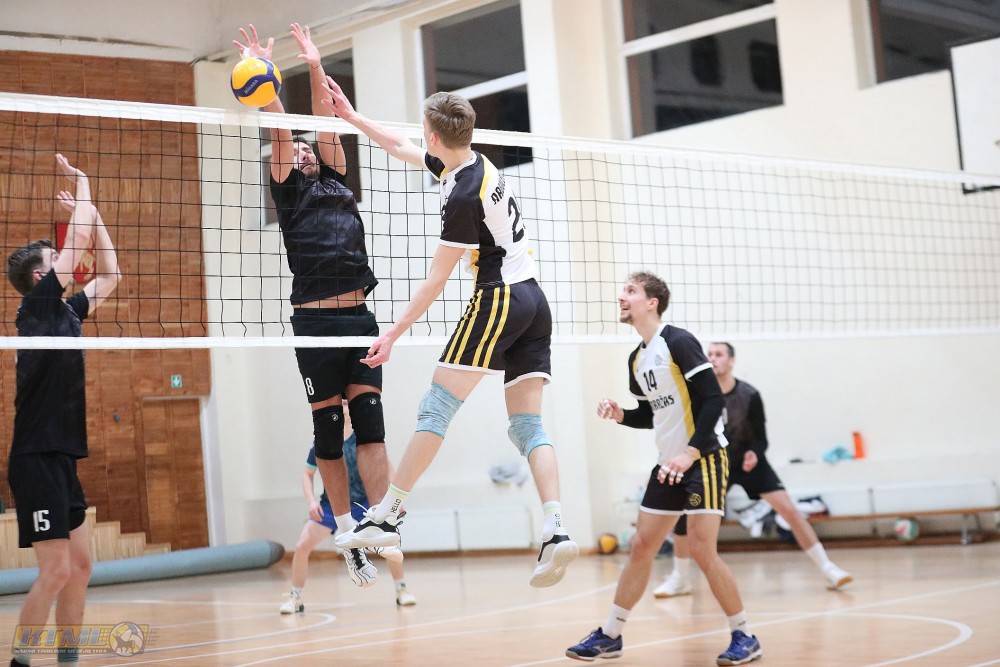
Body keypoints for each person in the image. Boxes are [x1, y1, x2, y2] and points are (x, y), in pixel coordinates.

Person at [321, 81, 579, 587]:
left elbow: (436, 280)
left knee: (436, 407)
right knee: (527, 427)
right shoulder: (473, 164)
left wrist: (392, 334)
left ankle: (388, 515)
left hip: (500, 299)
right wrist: (353, 118)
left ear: (435, 135)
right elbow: (401, 147)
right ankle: (556, 527)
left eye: (424, 130)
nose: (420, 137)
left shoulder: (462, 195)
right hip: (535, 300)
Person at [233, 24, 391, 586]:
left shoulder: (337, 177)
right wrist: (266, 79)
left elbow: (326, 119)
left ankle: (380, 522)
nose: (302, 150)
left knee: (370, 425)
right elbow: (280, 127)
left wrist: (316, 63)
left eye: (308, 147)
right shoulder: (288, 191)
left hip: (360, 316)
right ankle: (344, 529)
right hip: (315, 320)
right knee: (328, 428)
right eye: (295, 148)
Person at [566, 272, 761, 665]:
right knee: (641, 546)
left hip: (703, 457)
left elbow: (713, 400)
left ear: (652, 302)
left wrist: (690, 453)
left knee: (702, 550)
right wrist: (622, 414)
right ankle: (611, 634)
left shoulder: (679, 341)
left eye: (631, 291)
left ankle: (744, 635)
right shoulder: (637, 358)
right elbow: (650, 415)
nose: (621, 297)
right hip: (668, 463)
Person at [6, 154, 122, 667]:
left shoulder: (67, 313)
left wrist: (93, 215)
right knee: (54, 571)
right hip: (34, 457)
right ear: (41, 274)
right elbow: (77, 243)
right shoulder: (36, 309)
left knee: (80, 567)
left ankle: (68, 658)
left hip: (62, 456)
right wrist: (85, 187)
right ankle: (20, 662)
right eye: (55, 258)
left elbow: (112, 275)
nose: (66, 260)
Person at [655, 342, 851, 599]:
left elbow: (761, 438)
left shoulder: (749, 395)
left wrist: (754, 453)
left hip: (748, 463)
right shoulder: (697, 394)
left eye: (719, 354)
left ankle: (828, 569)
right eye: (709, 354)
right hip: (713, 463)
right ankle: (680, 579)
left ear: (731, 361)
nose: (713, 358)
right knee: (685, 517)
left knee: (789, 510)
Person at [281, 406, 417, 613]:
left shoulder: (363, 435)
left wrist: (395, 500)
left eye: (346, 403)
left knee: (388, 544)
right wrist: (311, 502)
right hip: (330, 506)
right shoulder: (324, 438)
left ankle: (401, 589)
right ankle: (295, 597)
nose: (344, 407)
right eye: (341, 403)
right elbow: (307, 474)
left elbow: (385, 466)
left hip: (363, 503)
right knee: (301, 546)